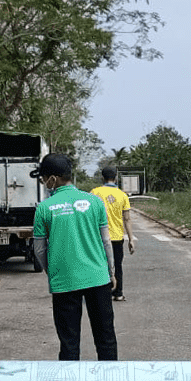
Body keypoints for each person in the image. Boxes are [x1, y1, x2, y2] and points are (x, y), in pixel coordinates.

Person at [31, 153, 118, 361]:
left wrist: (50, 271)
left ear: (53, 178)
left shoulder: (43, 208)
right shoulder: (95, 202)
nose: (44, 182)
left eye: (44, 178)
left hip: (64, 281)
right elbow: (106, 242)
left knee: (69, 343)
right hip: (97, 277)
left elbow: (39, 249)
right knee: (105, 338)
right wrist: (111, 272)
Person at [91, 166, 135, 302]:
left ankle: (101, 293)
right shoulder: (122, 195)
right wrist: (131, 239)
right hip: (116, 237)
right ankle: (118, 293)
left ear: (102, 178)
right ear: (116, 178)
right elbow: (127, 218)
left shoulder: (94, 193)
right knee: (117, 265)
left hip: (98, 237)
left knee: (99, 265)